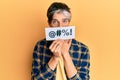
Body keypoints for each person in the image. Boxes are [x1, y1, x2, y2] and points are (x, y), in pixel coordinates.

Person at [31, 2, 90, 80]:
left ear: (69, 22)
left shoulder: (83, 50)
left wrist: (65, 54)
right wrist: (55, 58)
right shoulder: (40, 47)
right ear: (49, 23)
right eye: (55, 22)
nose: (60, 27)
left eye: (64, 21)